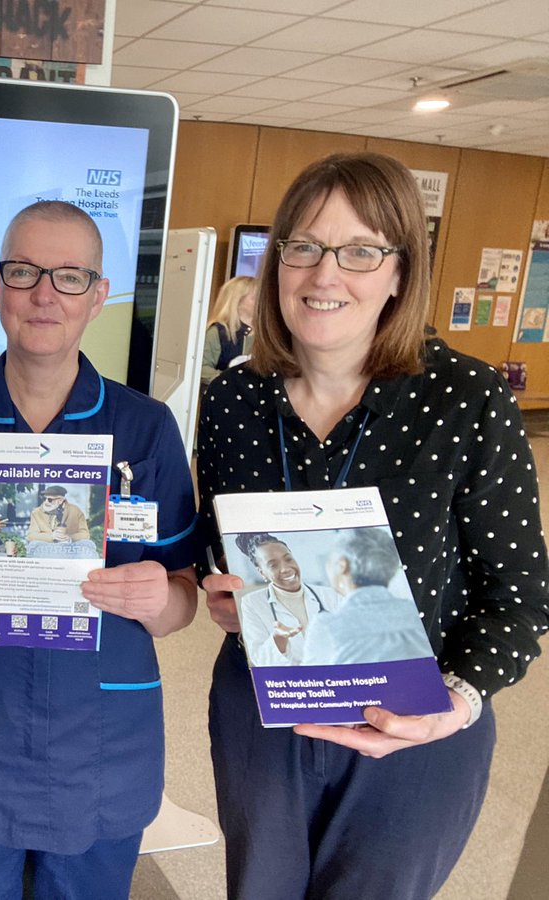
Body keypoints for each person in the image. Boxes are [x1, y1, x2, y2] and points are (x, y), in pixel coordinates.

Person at [198, 152, 549, 899]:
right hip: (267, 715)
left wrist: (455, 701)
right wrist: (223, 594)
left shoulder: (465, 398)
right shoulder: (234, 399)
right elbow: (215, 542)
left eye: (360, 251)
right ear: (278, 265)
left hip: (413, 724)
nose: (326, 275)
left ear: (399, 271)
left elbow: (520, 595)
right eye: (305, 247)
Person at [0, 200, 203, 897]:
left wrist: (162, 599)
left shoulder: (147, 429)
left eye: (68, 277)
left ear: (98, 296)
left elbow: (183, 598)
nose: (43, 294)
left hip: (101, 737)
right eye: (24, 271)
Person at [304, 527, 435, 665]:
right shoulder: (415, 613)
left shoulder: (327, 626)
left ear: (342, 565)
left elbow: (310, 682)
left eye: (330, 560)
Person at [232, 532, 341, 666]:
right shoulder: (252, 603)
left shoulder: (331, 595)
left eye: (288, 559)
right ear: (262, 572)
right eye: (273, 565)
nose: (285, 569)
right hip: (291, 682)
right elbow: (259, 661)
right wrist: (278, 641)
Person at [199, 275, 256, 389]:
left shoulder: (267, 335)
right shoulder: (217, 332)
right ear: (237, 301)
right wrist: (228, 381)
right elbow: (201, 368)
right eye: (255, 297)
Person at [25, 484, 98, 558]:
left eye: (50, 500)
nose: (46, 502)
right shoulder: (36, 513)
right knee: (33, 545)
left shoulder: (75, 511)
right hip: (47, 546)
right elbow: (31, 536)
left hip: (70, 546)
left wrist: (69, 537)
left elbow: (85, 534)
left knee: (88, 544)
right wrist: (52, 536)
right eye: (44, 499)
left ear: (60, 501)